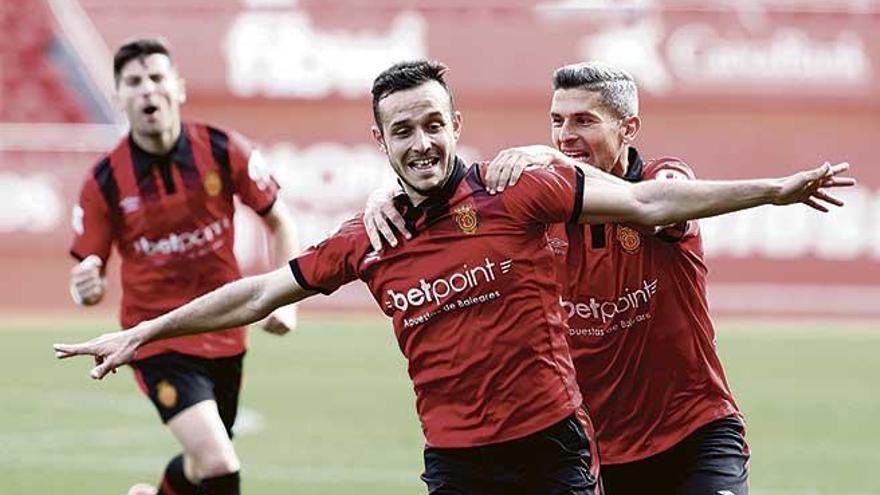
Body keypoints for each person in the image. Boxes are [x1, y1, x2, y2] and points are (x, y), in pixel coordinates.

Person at [56, 60, 853, 495]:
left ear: (457, 126)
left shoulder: (523, 191)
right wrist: (146, 329)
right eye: (403, 130)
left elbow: (651, 198)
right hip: (458, 465)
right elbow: (262, 289)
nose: (423, 142)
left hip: (557, 453)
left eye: (435, 124)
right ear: (381, 140)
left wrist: (777, 187)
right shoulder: (371, 236)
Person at [362, 61, 844, 495]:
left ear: (628, 127)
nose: (565, 136)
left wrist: (777, 191)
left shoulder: (665, 179)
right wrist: (388, 197)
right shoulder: (535, 202)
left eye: (584, 121)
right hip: (593, 452)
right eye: (556, 122)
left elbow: (656, 203)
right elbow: (450, 198)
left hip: (695, 433)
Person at [67, 38, 298, 495]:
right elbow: (86, 282)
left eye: (156, 78)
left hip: (226, 329)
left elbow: (280, 221)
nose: (147, 90)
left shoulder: (221, 149)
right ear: (119, 96)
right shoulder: (105, 181)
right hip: (155, 339)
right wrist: (85, 287)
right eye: (134, 82)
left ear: (179, 87)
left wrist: (287, 302)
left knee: (201, 465)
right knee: (219, 463)